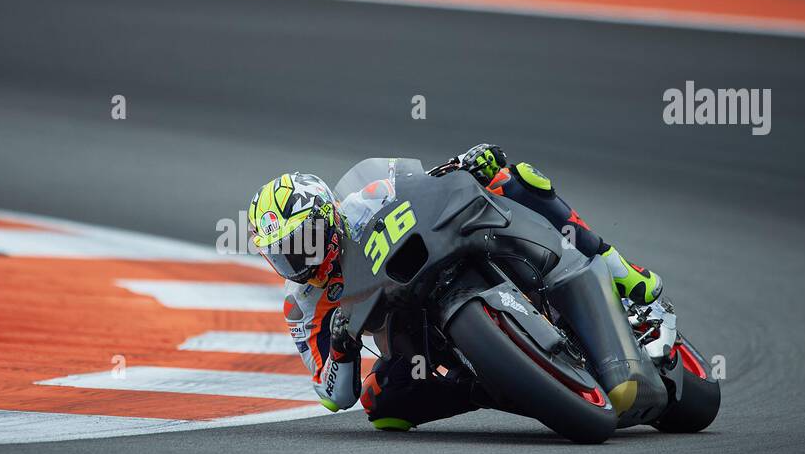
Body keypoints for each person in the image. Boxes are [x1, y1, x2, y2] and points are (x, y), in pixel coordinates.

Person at [245, 144, 662, 429]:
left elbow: (424, 185)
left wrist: (465, 162)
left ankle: (617, 266)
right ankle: (496, 384)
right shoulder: (302, 305)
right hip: (408, 328)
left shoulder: (363, 200)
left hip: (436, 250)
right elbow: (332, 394)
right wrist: (341, 347)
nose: (299, 260)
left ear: (327, 216)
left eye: (304, 240)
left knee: (512, 177)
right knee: (382, 406)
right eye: (283, 254)